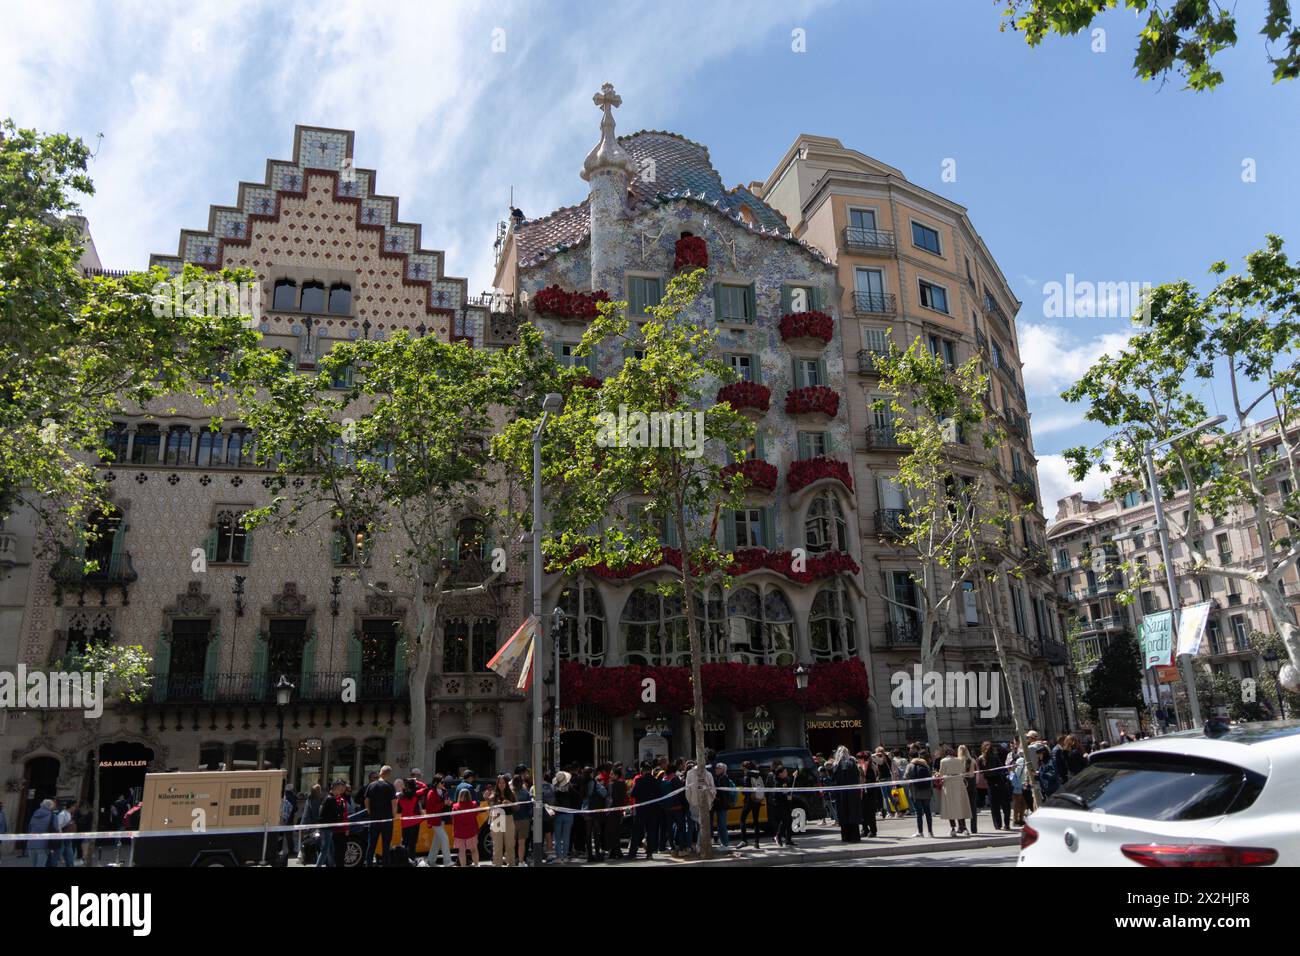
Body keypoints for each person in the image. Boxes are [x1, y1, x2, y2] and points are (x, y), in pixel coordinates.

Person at [363, 766, 397, 866]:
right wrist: (393, 815)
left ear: (380, 773)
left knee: (371, 844)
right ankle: (385, 864)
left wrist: (370, 812)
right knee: (386, 846)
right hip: (387, 820)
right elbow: (394, 803)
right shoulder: (390, 787)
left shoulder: (371, 785)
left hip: (374, 819)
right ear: (389, 774)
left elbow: (366, 800)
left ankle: (368, 864)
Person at [937, 745, 973, 837]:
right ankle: (964, 827)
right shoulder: (959, 760)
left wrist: (937, 775)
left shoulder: (943, 761)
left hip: (949, 784)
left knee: (950, 807)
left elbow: (941, 774)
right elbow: (963, 771)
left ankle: (953, 828)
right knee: (960, 805)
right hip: (959, 784)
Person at [628, 762, 661, 860]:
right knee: (651, 832)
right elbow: (659, 795)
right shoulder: (655, 781)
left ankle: (633, 853)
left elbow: (633, 794)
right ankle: (649, 853)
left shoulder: (639, 781)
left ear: (644, 771)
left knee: (636, 832)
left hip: (641, 810)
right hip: (653, 811)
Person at [830, 746, 862, 843]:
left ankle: (845, 836)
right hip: (852, 793)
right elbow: (857, 776)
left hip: (841, 794)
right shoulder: (852, 764)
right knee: (853, 813)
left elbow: (833, 780)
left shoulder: (835, 765)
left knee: (843, 814)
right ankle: (855, 836)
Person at [684, 760, 716, 854]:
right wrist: (711, 799)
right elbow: (712, 789)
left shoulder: (689, 773)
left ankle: (695, 845)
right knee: (701, 825)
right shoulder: (708, 774)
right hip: (704, 803)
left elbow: (687, 790)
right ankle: (699, 845)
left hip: (693, 803)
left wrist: (690, 801)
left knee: (694, 825)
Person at [980, 741, 1011, 831]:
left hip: (990, 783)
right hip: (1000, 782)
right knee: (1005, 805)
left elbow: (983, 772)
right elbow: (1001, 769)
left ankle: (997, 825)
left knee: (994, 806)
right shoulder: (995, 757)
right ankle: (1007, 824)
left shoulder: (981, 759)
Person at [317, 779, 349, 868]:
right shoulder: (330, 799)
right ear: (334, 789)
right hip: (326, 828)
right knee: (325, 850)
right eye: (339, 789)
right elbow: (338, 812)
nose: (340, 791)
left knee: (330, 850)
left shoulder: (329, 798)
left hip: (328, 828)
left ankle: (331, 865)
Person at [423, 776, 453, 867]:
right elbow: (431, 809)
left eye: (444, 782)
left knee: (437, 841)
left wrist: (449, 803)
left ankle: (431, 861)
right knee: (444, 838)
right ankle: (447, 861)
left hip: (442, 819)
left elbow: (448, 802)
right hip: (434, 820)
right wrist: (444, 803)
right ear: (436, 783)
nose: (444, 784)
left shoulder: (444, 791)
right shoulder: (431, 793)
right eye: (442, 782)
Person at [489, 775, 516, 867]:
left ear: (506, 784)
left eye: (503, 782)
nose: (501, 784)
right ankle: (497, 865)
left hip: (508, 819)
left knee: (510, 845)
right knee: (497, 847)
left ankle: (511, 864)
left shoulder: (511, 793)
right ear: (497, 784)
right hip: (497, 819)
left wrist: (510, 803)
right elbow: (490, 805)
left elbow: (517, 807)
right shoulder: (493, 794)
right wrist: (488, 799)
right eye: (499, 782)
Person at [905, 756, 935, 838]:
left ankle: (920, 832)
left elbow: (906, 777)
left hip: (916, 793)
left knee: (919, 813)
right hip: (927, 793)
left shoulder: (910, 766)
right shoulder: (926, 766)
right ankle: (930, 832)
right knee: (928, 812)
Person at [452, 785, 481, 867]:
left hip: (459, 832)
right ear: (469, 796)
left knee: (461, 851)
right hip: (471, 831)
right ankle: (476, 865)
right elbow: (476, 814)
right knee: (474, 850)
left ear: (459, 796)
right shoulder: (474, 804)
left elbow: (453, 819)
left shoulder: (455, 807)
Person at [737, 760, 765, 848]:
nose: (743, 771)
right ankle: (757, 843)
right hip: (757, 800)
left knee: (742, 819)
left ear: (746, 768)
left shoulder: (747, 777)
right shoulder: (758, 775)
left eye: (743, 769)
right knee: (756, 821)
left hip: (749, 801)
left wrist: (742, 790)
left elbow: (746, 791)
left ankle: (744, 840)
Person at [551, 770, 577, 861]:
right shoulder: (570, 788)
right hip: (568, 814)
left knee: (557, 837)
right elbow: (577, 798)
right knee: (566, 836)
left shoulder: (554, 789)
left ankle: (559, 856)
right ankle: (565, 856)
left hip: (557, 815)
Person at [396, 778, 424, 861]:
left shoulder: (400, 796)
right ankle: (411, 859)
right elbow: (425, 787)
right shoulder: (415, 794)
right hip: (415, 821)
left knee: (405, 842)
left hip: (405, 822)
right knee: (413, 843)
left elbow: (398, 809)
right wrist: (417, 781)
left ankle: (404, 860)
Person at [768, 765, 795, 847]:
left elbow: (788, 787)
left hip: (786, 803)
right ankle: (778, 836)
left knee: (789, 821)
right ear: (780, 773)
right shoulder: (777, 782)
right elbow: (777, 794)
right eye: (785, 772)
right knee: (784, 821)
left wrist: (794, 777)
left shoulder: (785, 780)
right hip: (779, 804)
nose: (786, 773)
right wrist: (786, 797)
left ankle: (788, 840)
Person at [604, 764, 628, 859]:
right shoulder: (623, 784)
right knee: (617, 831)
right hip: (619, 810)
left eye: (612, 774)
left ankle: (614, 851)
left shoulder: (611, 785)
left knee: (611, 832)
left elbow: (609, 799)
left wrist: (607, 811)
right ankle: (617, 850)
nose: (610, 775)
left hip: (612, 811)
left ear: (616, 775)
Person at [27, 799, 57, 868]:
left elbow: (29, 827)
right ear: (51, 806)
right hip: (44, 844)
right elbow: (55, 829)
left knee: (34, 865)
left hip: (31, 843)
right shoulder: (53, 816)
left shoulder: (34, 814)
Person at [711, 763, 735, 848]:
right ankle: (723, 842)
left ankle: (725, 843)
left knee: (722, 824)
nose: (716, 769)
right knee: (719, 825)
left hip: (722, 804)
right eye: (716, 768)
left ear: (723, 769)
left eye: (718, 768)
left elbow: (723, 792)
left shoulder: (724, 778)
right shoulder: (717, 777)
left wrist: (716, 797)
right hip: (718, 805)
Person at [958, 744, 979, 835]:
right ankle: (974, 828)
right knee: (973, 807)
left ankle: (962, 827)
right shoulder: (972, 761)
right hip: (972, 785)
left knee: (961, 807)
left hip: (962, 785)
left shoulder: (958, 761)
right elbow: (974, 775)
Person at [512, 771, 532, 865]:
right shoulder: (526, 793)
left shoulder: (511, 793)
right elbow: (530, 808)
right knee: (522, 843)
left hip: (512, 821)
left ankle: (514, 859)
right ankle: (521, 861)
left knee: (512, 843)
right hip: (524, 820)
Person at [861, 756, 881, 838]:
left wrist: (864, 780)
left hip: (870, 794)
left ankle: (873, 830)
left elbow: (872, 780)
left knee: (870, 813)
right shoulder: (861, 766)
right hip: (862, 794)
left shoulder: (870, 767)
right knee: (863, 813)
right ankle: (865, 829)